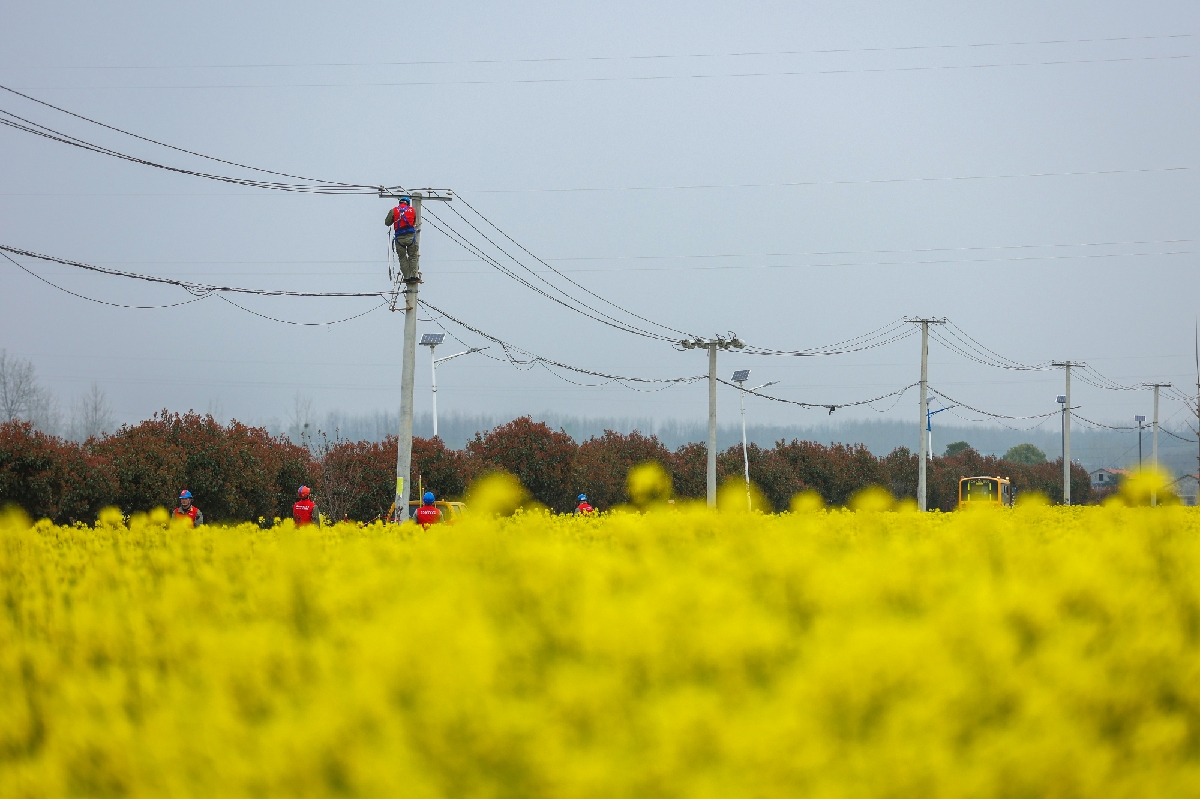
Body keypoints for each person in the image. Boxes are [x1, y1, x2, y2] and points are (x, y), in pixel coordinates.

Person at [384, 196, 419, 279]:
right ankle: (414, 276)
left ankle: (407, 277)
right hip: (410, 237)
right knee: (413, 256)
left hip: (399, 238)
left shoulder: (394, 210)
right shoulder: (412, 210)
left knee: (402, 258)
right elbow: (414, 222)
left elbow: (387, 223)